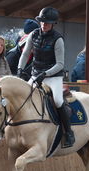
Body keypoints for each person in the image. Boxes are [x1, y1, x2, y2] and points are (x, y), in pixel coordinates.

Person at [17, 7, 74, 148]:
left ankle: (69, 133)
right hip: (36, 74)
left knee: (58, 100)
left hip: (53, 76)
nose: (44, 24)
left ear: (53, 23)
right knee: (24, 97)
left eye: (47, 22)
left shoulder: (58, 39)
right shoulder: (33, 34)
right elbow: (25, 54)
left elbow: (60, 64)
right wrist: (19, 68)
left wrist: (46, 74)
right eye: (42, 21)